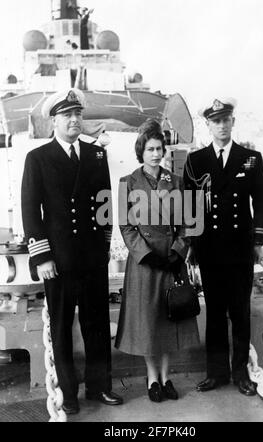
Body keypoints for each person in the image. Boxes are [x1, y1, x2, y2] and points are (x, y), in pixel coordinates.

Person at [21, 88, 123, 414]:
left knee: (96, 324)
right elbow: (30, 211)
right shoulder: (38, 158)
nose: (74, 120)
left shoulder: (95, 155)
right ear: (54, 120)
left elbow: (105, 205)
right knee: (62, 327)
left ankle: (100, 386)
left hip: (92, 258)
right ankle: (68, 393)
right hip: (59, 261)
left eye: (78, 114)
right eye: (67, 115)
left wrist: (104, 248)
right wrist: (42, 256)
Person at [183, 98, 263, 396]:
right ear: (208, 124)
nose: (221, 125)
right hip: (210, 248)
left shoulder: (250, 158)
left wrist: (258, 240)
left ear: (233, 122)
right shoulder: (196, 160)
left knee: (240, 312)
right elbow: (190, 206)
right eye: (215, 121)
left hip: (240, 248)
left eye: (225, 120)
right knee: (216, 313)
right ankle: (216, 373)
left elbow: (259, 201)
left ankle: (240, 373)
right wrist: (191, 245)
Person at [115, 119, 200, 402]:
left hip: (171, 261)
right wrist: (147, 255)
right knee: (148, 323)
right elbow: (126, 227)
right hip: (144, 263)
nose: (155, 154)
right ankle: (152, 378)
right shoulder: (127, 183)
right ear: (141, 151)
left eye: (159, 148)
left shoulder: (175, 182)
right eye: (150, 149)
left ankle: (166, 377)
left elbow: (189, 222)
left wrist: (177, 252)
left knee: (169, 321)